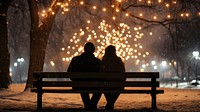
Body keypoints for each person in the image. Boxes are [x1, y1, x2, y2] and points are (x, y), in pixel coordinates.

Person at [67, 42, 102, 110]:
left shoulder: (76, 60)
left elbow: (69, 73)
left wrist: (77, 80)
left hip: (79, 86)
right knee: (99, 89)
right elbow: (101, 76)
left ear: (84, 49)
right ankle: (92, 104)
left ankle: (88, 104)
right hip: (94, 86)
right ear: (93, 50)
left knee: (82, 86)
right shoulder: (97, 62)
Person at [100, 45, 125, 110]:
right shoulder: (119, 60)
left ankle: (110, 104)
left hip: (106, 85)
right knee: (117, 89)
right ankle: (110, 104)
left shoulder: (104, 61)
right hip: (118, 86)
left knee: (104, 87)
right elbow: (123, 74)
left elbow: (101, 72)